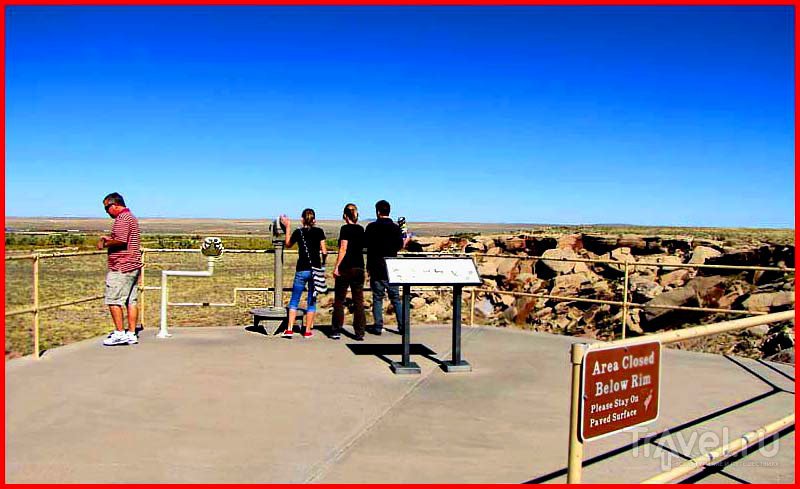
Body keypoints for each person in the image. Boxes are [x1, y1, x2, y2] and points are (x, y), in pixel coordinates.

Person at [98, 192, 143, 346]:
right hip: (132, 264)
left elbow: (121, 240)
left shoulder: (122, 219)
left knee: (113, 300)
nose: (106, 212)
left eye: (106, 208)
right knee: (131, 301)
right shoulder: (131, 217)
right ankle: (131, 333)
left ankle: (119, 333)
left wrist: (105, 242)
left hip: (122, 266)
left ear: (115, 205)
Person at [364, 200, 411, 335]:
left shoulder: (371, 227)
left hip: (376, 267)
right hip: (392, 268)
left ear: (378, 212)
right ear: (388, 211)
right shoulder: (395, 228)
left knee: (377, 298)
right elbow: (399, 245)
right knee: (396, 299)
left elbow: (366, 244)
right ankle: (402, 327)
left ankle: (378, 326)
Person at [279, 209, 327, 339]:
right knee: (311, 301)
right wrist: (323, 264)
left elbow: (288, 244)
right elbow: (324, 251)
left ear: (302, 219)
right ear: (314, 220)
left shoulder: (298, 232)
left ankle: (289, 329)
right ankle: (307, 330)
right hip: (315, 270)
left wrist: (288, 226)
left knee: (294, 300)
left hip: (301, 269)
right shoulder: (319, 232)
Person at [331, 203, 366, 341]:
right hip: (359, 267)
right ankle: (359, 332)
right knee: (358, 300)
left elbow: (343, 248)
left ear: (345, 215)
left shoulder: (345, 229)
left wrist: (337, 266)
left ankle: (336, 330)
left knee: (339, 299)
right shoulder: (361, 229)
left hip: (346, 267)